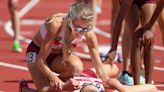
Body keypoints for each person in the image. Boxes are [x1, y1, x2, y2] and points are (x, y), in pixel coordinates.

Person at [25, 3, 109, 92]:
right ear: (70, 22)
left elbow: (99, 68)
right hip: (37, 53)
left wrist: (108, 83)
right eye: (78, 29)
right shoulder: (56, 25)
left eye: (86, 29)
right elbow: (40, 60)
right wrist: (54, 79)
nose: (81, 33)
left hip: (57, 57)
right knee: (46, 90)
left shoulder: (89, 34)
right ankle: (27, 89)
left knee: (76, 67)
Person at [105, 0, 158, 85]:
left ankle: (149, 85)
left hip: (149, 1)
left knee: (149, 40)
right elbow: (120, 18)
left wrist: (149, 27)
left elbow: (160, 6)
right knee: (137, 39)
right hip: (129, 2)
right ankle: (136, 85)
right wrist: (113, 48)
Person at [20, 62, 158, 92]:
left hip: (77, 77)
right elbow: (152, 88)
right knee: (114, 67)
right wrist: (122, 87)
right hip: (92, 75)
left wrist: (63, 86)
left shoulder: (71, 90)